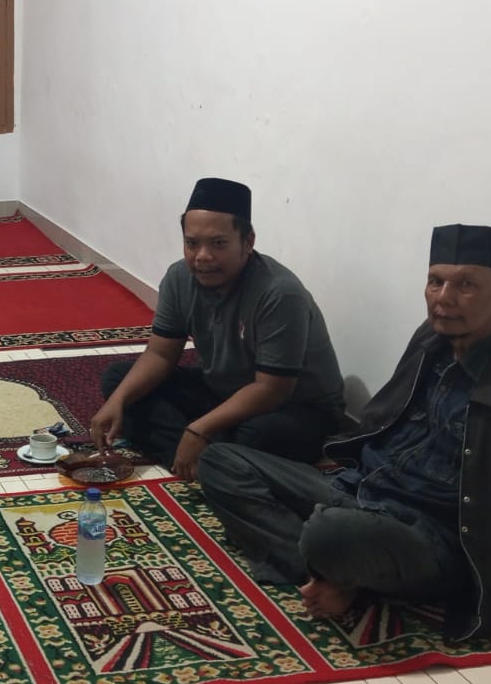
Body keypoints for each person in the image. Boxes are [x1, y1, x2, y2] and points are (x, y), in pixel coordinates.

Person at [198, 224, 491, 647]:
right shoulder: (434, 337)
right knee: (221, 461)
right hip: (363, 490)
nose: (444, 297)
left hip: (433, 535)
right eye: (435, 281)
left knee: (326, 532)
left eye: (466, 285)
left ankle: (336, 562)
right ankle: (340, 575)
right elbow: (386, 423)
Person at [92, 177, 345, 479]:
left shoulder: (279, 293)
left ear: (247, 242)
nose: (202, 256)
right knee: (119, 381)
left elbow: (272, 389)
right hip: (222, 391)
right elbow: (160, 354)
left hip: (295, 407)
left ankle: (207, 456)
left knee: (256, 436)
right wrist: (118, 400)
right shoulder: (179, 278)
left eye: (218, 244)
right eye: (192, 243)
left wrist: (200, 429)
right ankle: (215, 461)